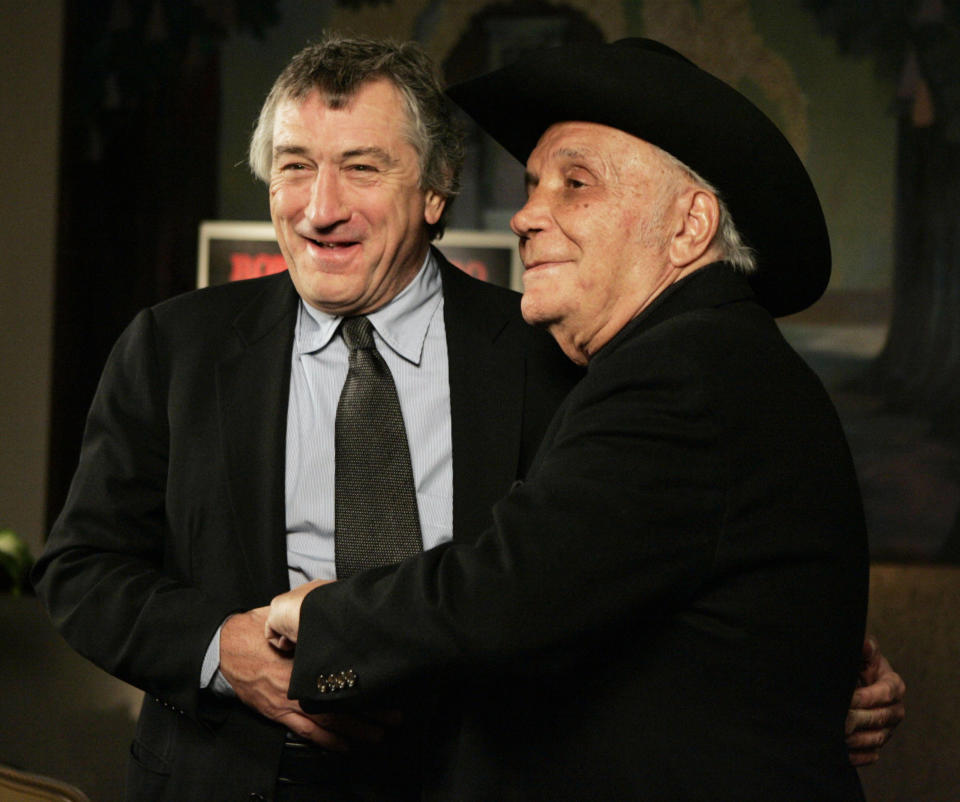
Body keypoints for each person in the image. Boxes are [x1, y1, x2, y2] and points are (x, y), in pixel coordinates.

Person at [33, 33, 901, 802]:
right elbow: (79, 568)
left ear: (438, 191)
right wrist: (229, 650)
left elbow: (589, 562)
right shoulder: (172, 346)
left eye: (362, 168)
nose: (318, 206)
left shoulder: (561, 356)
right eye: (295, 165)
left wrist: (813, 658)